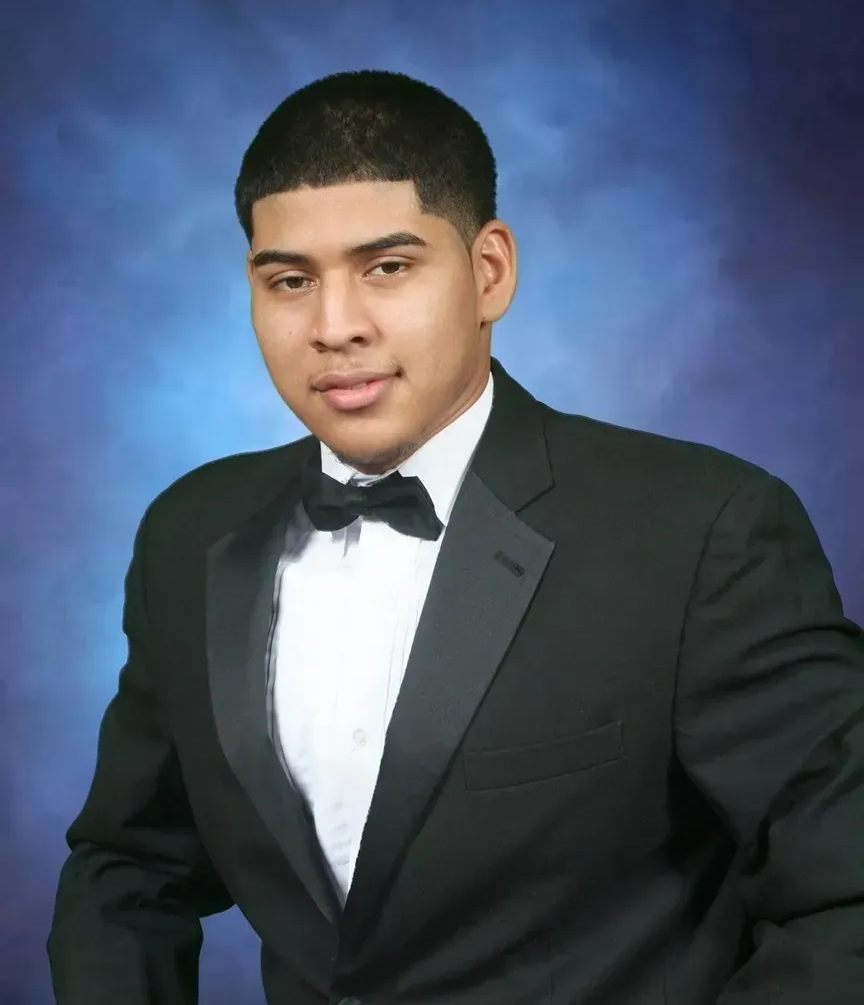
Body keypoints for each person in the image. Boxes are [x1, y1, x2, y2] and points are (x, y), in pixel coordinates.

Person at [48, 69, 864, 1005]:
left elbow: (847, 892)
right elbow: (128, 868)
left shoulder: (707, 530)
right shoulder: (185, 534)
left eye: (387, 268)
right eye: (290, 281)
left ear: (489, 273)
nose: (335, 327)